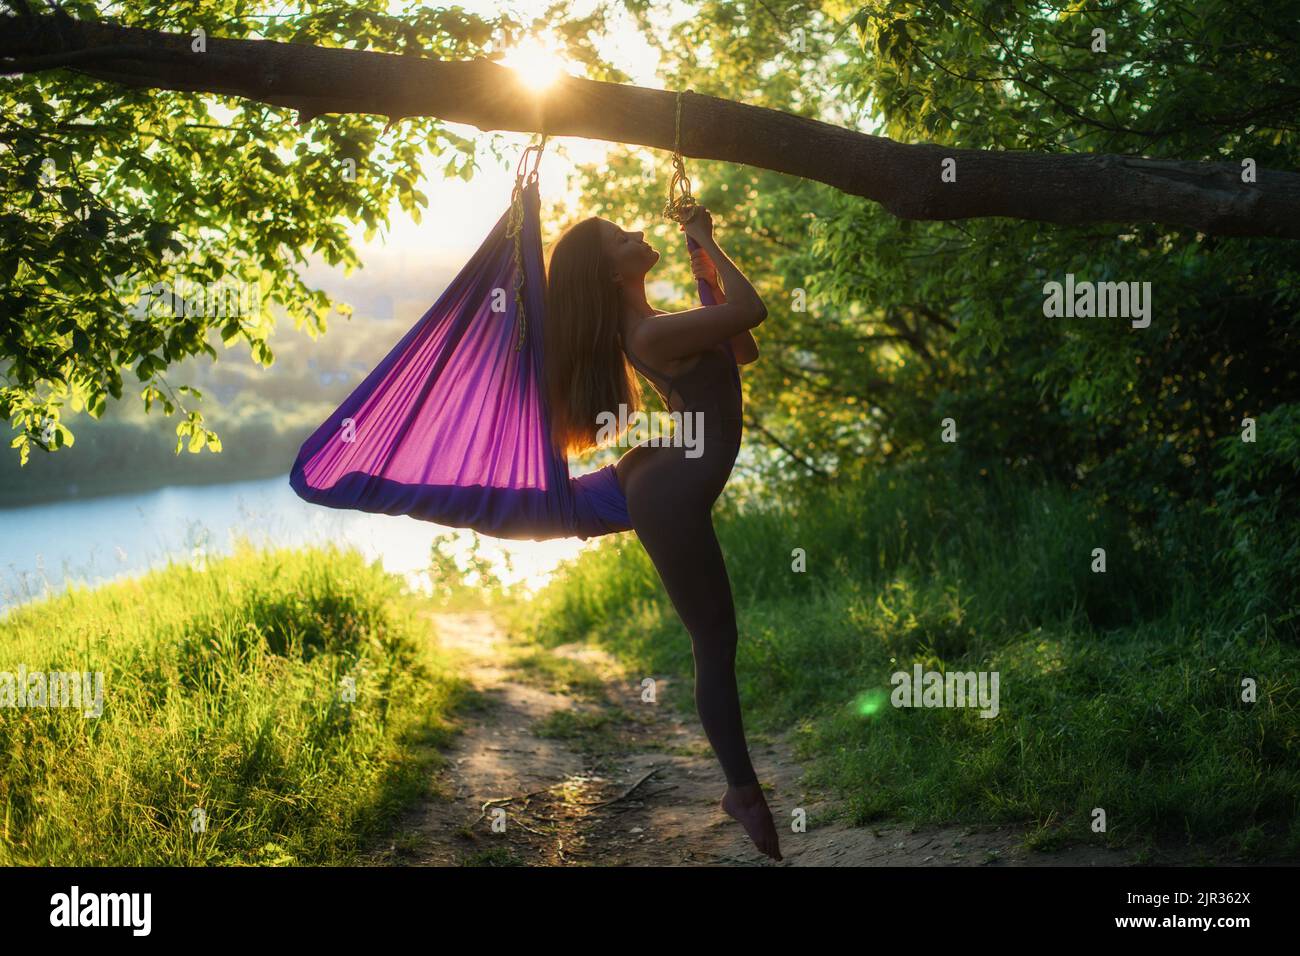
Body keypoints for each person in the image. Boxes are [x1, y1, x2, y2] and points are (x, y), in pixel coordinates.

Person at [544, 203, 781, 861]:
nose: (638, 235)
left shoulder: (654, 326)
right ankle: (741, 792)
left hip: (665, 478)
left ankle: (744, 791)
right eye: (622, 239)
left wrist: (702, 253)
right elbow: (753, 310)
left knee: (718, 637)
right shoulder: (649, 337)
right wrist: (705, 236)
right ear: (608, 272)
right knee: (715, 639)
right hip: (668, 493)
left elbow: (744, 346)